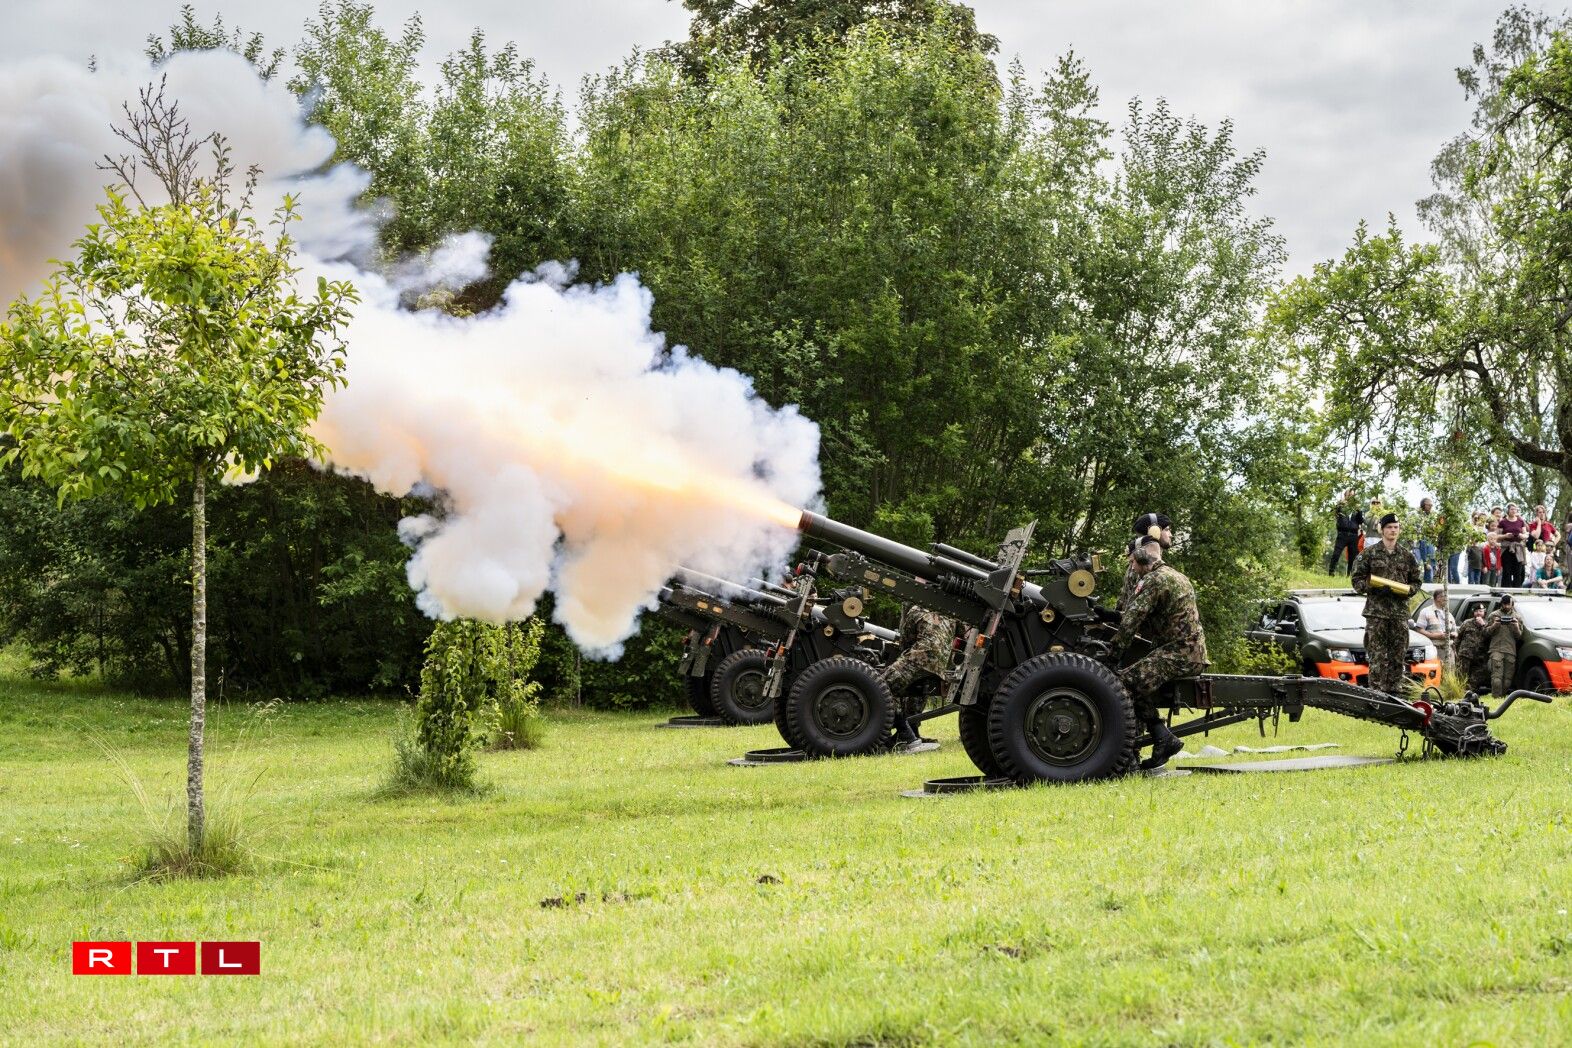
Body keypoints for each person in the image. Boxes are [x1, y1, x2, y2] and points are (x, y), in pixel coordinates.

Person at [1113, 535, 1208, 771]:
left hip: (1180, 654)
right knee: (1133, 679)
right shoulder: (1174, 575)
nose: (1132, 568)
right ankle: (1161, 737)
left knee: (1121, 683)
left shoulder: (1153, 580)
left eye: (1132, 562)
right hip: (1188, 651)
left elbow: (1131, 621)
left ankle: (1159, 737)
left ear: (1141, 557)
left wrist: (1112, 653)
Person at [1350, 513, 1424, 694]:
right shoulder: (1369, 554)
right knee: (1377, 657)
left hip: (1399, 613)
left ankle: (1395, 695)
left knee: (1398, 656)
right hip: (1377, 614)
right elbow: (1356, 581)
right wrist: (1372, 586)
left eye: (1396, 527)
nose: (1393, 530)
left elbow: (1416, 581)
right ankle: (1376, 695)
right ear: (1382, 530)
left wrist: (1407, 590)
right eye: (1389, 527)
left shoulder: (1407, 556)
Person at [881, 604, 956, 747]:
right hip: (940, 663)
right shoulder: (949, 612)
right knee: (918, 691)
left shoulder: (916, 609)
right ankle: (913, 732)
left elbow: (906, 640)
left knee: (882, 686)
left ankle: (905, 734)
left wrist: (901, 659)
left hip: (920, 657)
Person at [1118, 512, 1172, 611]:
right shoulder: (1144, 566)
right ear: (1155, 531)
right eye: (1167, 530)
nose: (1170, 535)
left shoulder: (1143, 562)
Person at [1485, 596, 1524, 698]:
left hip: (1510, 650)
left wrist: (1516, 627)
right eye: (1504, 604)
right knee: (1497, 679)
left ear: (1512, 604)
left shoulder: (1517, 617)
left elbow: (1519, 636)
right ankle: (1496, 698)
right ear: (1501, 604)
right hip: (1496, 649)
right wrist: (1494, 625)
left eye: (1508, 604)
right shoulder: (1494, 615)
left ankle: (1502, 698)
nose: (1506, 606)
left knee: (1507, 680)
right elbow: (1485, 633)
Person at [1414, 590, 1456, 664]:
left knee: (1450, 671)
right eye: (1445, 597)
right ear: (1438, 598)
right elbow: (1419, 630)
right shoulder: (1426, 611)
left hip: (1449, 651)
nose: (1447, 599)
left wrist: (1453, 635)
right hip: (1433, 650)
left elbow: (1455, 631)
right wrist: (1436, 636)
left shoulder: (1448, 614)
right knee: (1435, 671)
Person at [1455, 605, 1490, 694]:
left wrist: (1483, 625)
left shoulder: (1487, 624)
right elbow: (1458, 637)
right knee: (1461, 675)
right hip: (1465, 654)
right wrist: (1455, 650)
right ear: (1473, 613)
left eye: (1480, 611)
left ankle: (1469, 692)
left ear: (1484, 612)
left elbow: (1489, 636)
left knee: (1477, 676)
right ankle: (1459, 692)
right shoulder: (1467, 623)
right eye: (1476, 611)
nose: (1478, 613)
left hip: (1480, 656)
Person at [1329, 490, 1364, 577]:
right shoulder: (1341, 506)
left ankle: (1349, 575)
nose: (1351, 497)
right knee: (1336, 554)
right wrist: (1339, 504)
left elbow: (1361, 521)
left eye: (1353, 495)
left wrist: (1359, 510)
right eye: (1349, 495)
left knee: (1352, 557)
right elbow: (1332, 513)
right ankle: (1331, 573)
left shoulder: (1356, 508)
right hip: (1342, 533)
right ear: (1345, 496)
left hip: (1353, 535)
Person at [1411, 497, 1439, 583]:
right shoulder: (1416, 515)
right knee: (1416, 564)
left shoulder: (1432, 517)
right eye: (1429, 505)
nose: (1431, 507)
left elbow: (1435, 531)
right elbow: (1414, 530)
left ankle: (1428, 583)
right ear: (1423, 505)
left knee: (1430, 564)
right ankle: (1414, 583)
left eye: (1431, 505)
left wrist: (1434, 530)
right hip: (1417, 544)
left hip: (1429, 542)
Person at [1499, 504, 1527, 587]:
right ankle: (1505, 589)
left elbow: (1526, 534)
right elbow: (1497, 536)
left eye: (1515, 509)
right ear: (1508, 510)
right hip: (1506, 548)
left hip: (1518, 548)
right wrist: (1505, 536)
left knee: (1518, 571)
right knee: (1506, 571)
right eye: (1512, 509)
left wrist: (1522, 536)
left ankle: (1517, 589)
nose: (1513, 511)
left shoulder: (1521, 521)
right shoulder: (1503, 522)